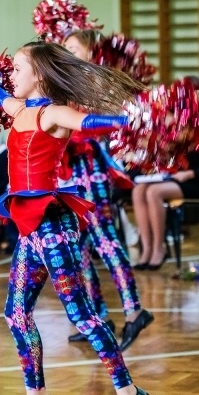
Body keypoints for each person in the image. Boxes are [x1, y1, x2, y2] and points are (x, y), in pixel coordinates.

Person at [0, 41, 148, 395]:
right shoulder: (19, 110)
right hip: (28, 230)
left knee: (83, 316)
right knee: (15, 315)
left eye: (17, 69)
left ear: (38, 74)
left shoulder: (53, 114)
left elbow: (91, 124)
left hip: (54, 225)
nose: (10, 76)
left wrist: (136, 121)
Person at [62, 30, 155, 350]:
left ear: (91, 53)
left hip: (91, 172)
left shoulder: (97, 83)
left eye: (74, 48)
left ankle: (134, 310)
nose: (67, 53)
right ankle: (98, 316)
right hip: (71, 175)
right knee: (79, 249)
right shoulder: (72, 83)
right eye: (65, 48)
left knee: (105, 240)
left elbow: (98, 126)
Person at [131, 141, 199, 269]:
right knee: (138, 191)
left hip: (197, 182)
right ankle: (147, 248)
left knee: (153, 192)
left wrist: (190, 173)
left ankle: (159, 248)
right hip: (173, 177)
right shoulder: (176, 131)